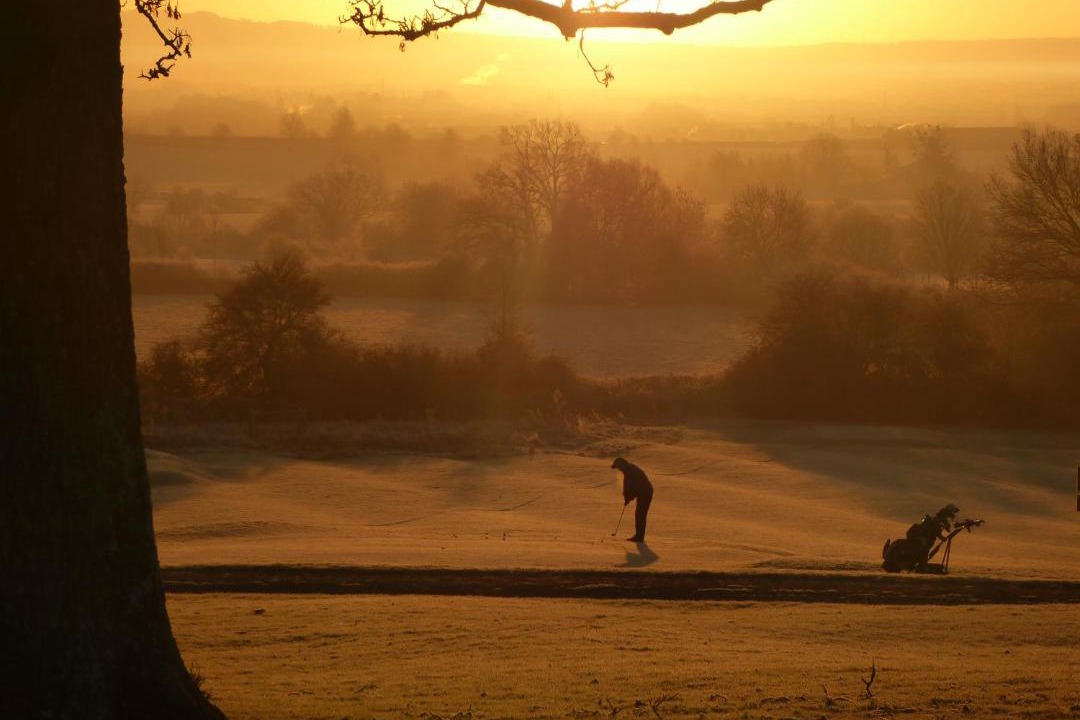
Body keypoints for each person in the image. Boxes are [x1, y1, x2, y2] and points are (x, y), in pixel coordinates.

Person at [612, 457, 653, 543]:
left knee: (640, 514)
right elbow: (627, 486)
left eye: (618, 467)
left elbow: (636, 488)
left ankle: (639, 537)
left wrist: (629, 498)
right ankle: (639, 536)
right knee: (639, 514)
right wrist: (626, 496)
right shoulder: (627, 471)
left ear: (622, 465)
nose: (618, 469)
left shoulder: (632, 472)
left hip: (646, 492)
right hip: (642, 492)